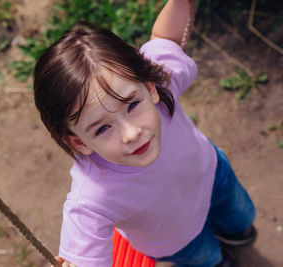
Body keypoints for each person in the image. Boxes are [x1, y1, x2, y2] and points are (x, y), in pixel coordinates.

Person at [33, 0, 256, 266]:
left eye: (132, 105)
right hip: (176, 239)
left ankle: (236, 233)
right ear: (78, 141)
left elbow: (165, 38)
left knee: (240, 216)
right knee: (208, 259)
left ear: (149, 87)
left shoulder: (161, 87)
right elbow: (83, 257)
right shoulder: (92, 197)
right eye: (103, 128)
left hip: (215, 176)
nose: (131, 133)